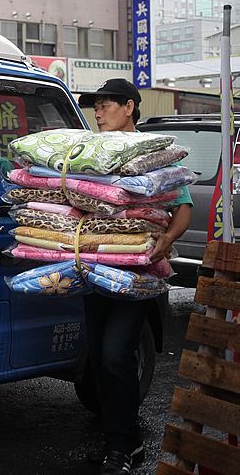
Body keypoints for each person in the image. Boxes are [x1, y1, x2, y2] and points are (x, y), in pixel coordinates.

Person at [77, 78, 192, 475]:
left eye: (106, 104)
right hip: (95, 271)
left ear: (129, 106)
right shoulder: (90, 153)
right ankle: (120, 441)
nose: (98, 111)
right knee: (99, 361)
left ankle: (124, 447)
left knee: (115, 354)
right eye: (95, 106)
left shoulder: (155, 154)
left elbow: (182, 207)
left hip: (136, 274)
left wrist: (168, 238)